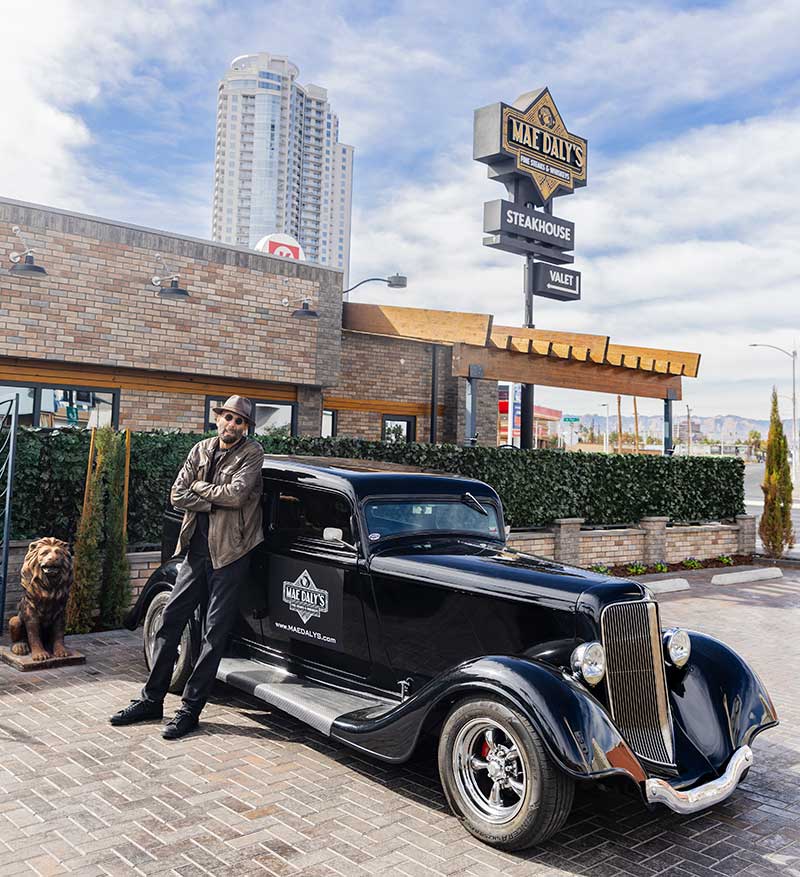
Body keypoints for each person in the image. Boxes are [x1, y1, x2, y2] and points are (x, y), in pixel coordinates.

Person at [110, 395, 265, 739]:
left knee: (212, 635)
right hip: (195, 552)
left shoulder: (252, 454)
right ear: (218, 419)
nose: (232, 424)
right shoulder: (200, 449)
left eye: (239, 421)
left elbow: (237, 496)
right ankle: (151, 700)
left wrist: (199, 489)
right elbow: (177, 494)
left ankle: (190, 710)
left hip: (230, 555)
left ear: (245, 427)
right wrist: (211, 498)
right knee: (170, 623)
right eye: (227, 417)